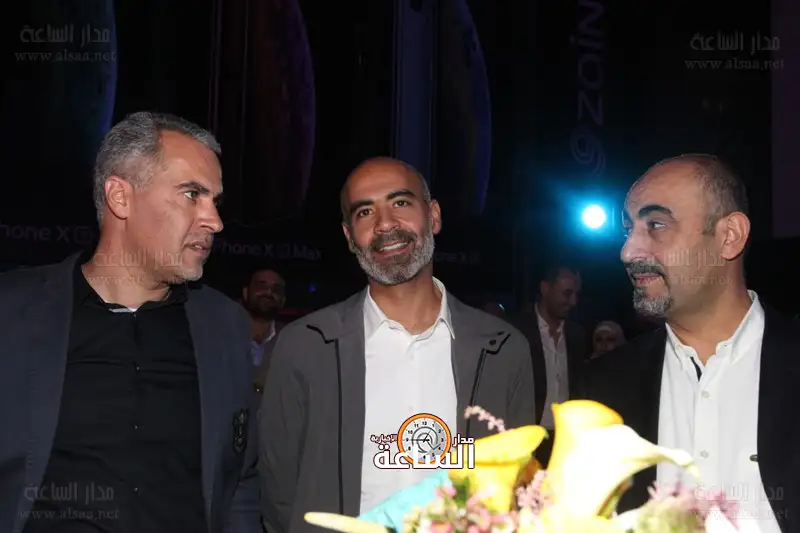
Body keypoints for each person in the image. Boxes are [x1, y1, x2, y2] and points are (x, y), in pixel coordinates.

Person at [0, 112, 260, 533]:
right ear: (120, 197)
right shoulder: (13, 310)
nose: (214, 221)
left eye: (215, 200)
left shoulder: (223, 325)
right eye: (192, 194)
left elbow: (240, 478)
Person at [258, 157, 536, 533]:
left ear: (433, 216)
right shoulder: (304, 347)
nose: (385, 224)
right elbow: (279, 492)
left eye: (400, 203)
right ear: (348, 236)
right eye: (365, 212)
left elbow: (516, 484)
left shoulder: (503, 349)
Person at [584, 154, 799, 532]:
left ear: (729, 236)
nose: (628, 251)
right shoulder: (601, 389)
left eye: (656, 225)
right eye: (628, 229)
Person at [510, 264, 586, 464]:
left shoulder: (577, 335)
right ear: (545, 288)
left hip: (565, 442)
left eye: (576, 294)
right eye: (567, 293)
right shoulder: (517, 331)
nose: (573, 301)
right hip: (527, 440)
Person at [243, 268, 287, 396]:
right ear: (246, 293)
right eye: (261, 286)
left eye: (276, 289)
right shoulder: (224, 333)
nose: (269, 292)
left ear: (283, 300)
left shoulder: (290, 340)